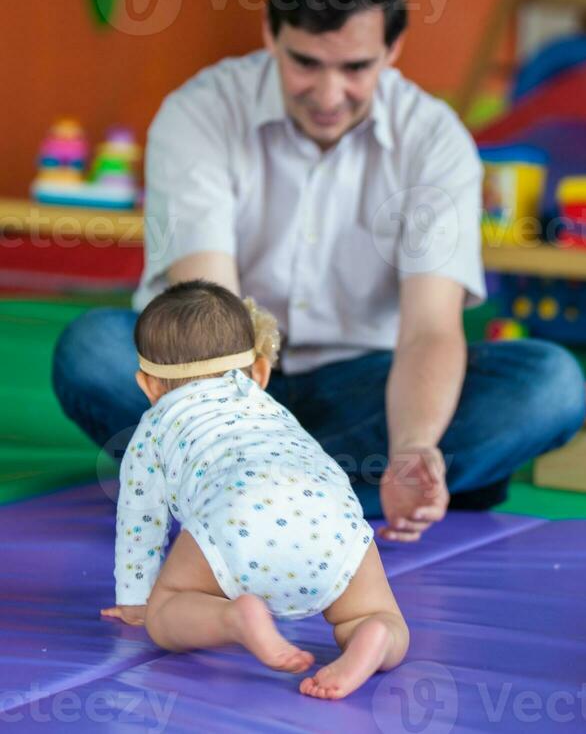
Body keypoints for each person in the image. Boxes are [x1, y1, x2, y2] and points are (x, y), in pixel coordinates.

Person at [53, 0, 586, 543]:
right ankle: (319, 486)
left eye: (356, 68)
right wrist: (239, 426)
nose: (329, 95)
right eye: (305, 62)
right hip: (218, 374)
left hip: (366, 383)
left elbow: (430, 330)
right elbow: (209, 314)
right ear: (270, 35)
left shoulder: (436, 141)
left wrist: (414, 447)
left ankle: (233, 488)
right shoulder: (199, 112)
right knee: (92, 351)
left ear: (394, 49)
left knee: (550, 384)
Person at [101, 280, 409, 700]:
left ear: (148, 385)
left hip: (236, 512)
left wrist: (137, 599)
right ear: (260, 372)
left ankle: (234, 618)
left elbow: (141, 517)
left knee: (165, 610)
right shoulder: (267, 406)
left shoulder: (153, 428)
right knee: (375, 612)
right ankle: (372, 636)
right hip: (330, 513)